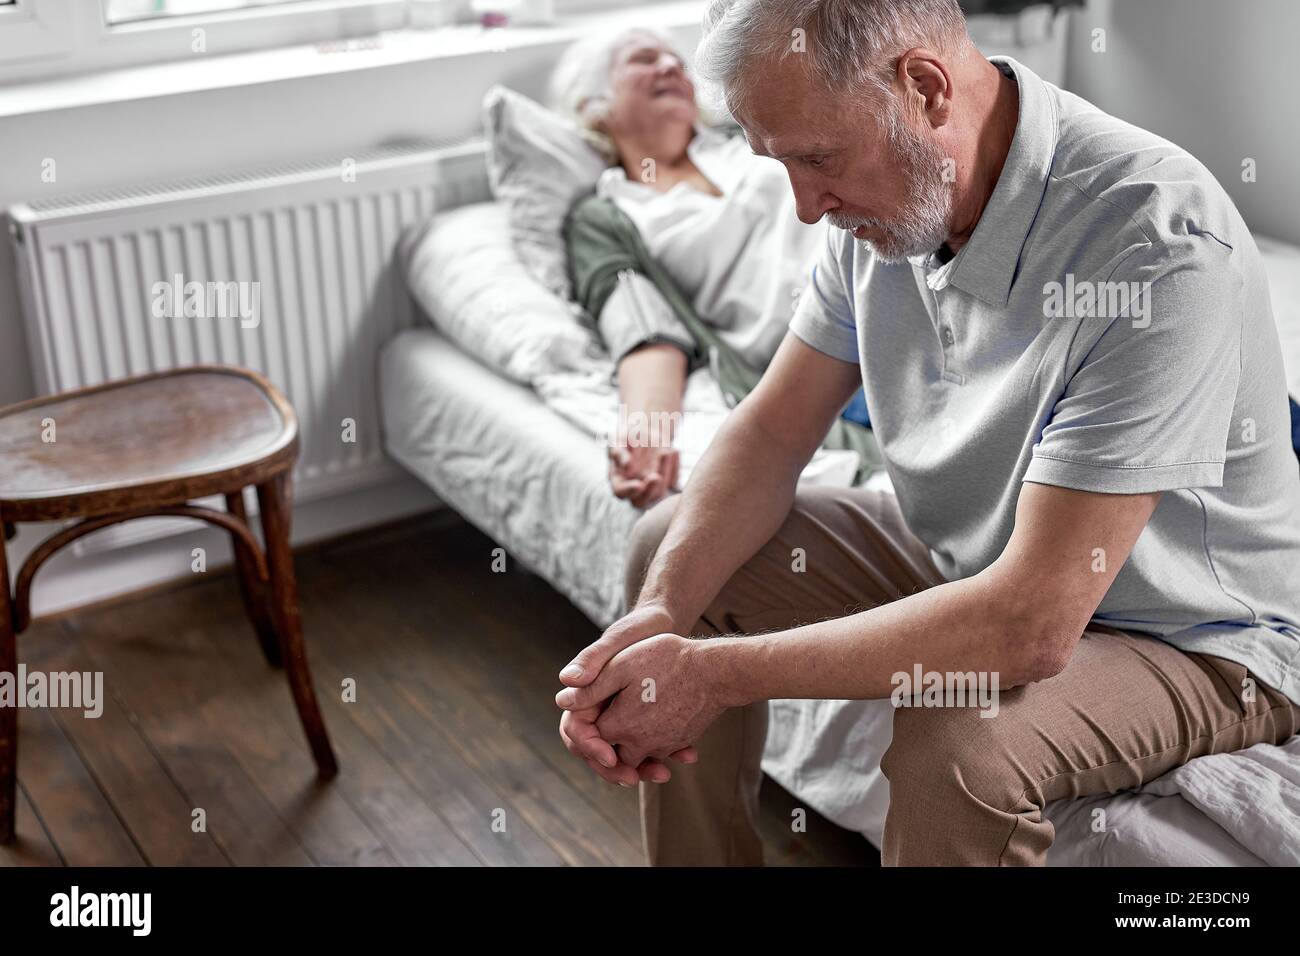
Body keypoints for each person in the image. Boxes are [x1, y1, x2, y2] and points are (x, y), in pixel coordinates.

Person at [555, 0, 1300, 865]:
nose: (803, 206)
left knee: (959, 743)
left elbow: (1029, 625)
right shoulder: (873, 210)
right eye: (780, 163)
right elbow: (767, 437)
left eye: (816, 158)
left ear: (925, 89)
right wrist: (658, 627)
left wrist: (712, 673)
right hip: (981, 561)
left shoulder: (1155, 243)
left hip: (1194, 638)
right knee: (668, 546)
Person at [551, 28, 844, 508]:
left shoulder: (754, 138)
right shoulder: (607, 215)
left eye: (676, 62)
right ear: (594, 106)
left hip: (891, 287)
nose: (670, 67)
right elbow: (646, 330)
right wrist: (648, 432)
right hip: (821, 355)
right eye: (645, 60)